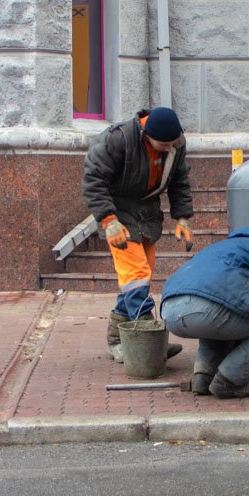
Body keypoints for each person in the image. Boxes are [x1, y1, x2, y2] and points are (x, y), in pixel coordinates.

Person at [83, 107, 195, 363]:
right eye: (164, 145)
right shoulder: (119, 139)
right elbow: (93, 180)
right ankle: (149, 339)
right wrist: (109, 221)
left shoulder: (176, 144)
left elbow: (179, 181)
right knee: (136, 274)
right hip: (118, 211)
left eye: (173, 143)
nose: (169, 148)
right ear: (147, 135)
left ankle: (116, 340)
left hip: (147, 212)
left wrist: (183, 218)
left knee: (139, 276)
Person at [159, 223, 249, 399]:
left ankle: (204, 377)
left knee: (227, 312)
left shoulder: (228, 244)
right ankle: (229, 382)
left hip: (170, 309)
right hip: (208, 308)